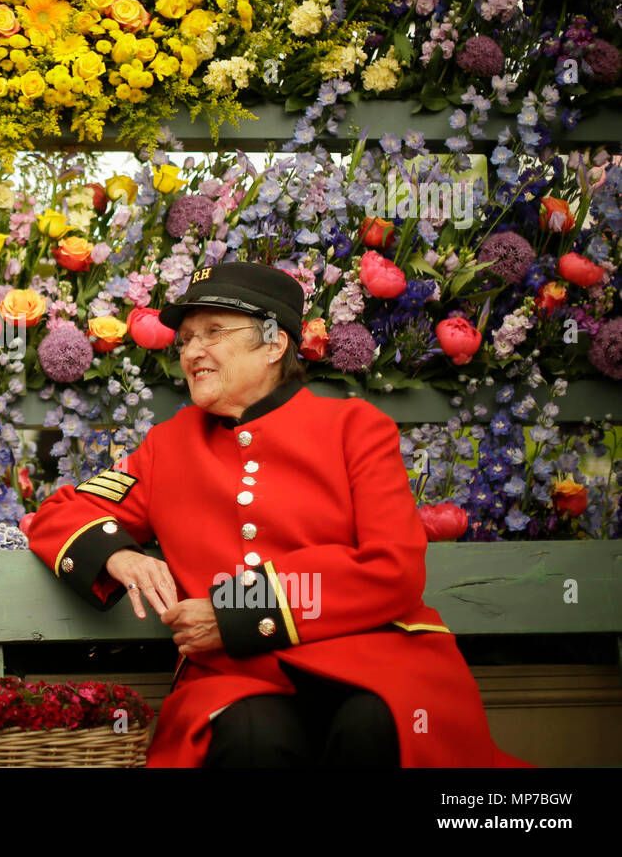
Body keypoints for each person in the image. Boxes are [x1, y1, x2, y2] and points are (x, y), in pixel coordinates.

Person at [28, 262, 524, 767]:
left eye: (214, 332)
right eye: (186, 340)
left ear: (273, 343)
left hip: (374, 659)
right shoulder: (167, 445)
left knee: (373, 726)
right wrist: (119, 555)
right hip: (236, 678)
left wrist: (236, 612)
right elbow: (59, 514)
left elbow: (393, 568)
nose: (192, 352)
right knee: (249, 737)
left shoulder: (356, 428)